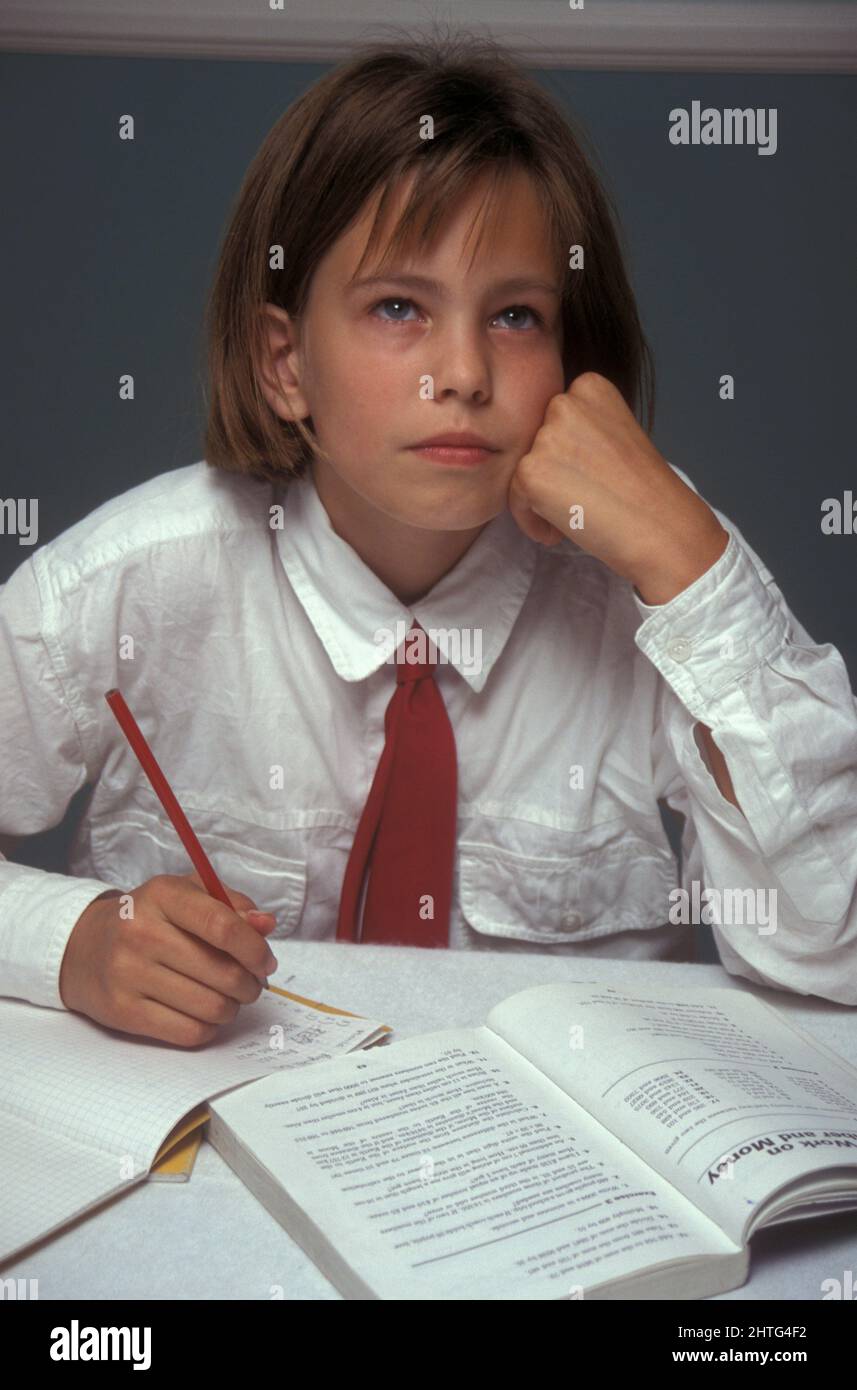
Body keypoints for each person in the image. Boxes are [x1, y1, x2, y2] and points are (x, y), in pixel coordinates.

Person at [1, 33, 855, 1047]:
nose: (461, 371)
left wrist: (693, 564)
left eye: (516, 316)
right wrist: (72, 939)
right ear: (284, 363)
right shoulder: (122, 590)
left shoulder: (655, 603)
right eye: (398, 306)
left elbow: (829, 947)